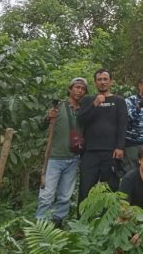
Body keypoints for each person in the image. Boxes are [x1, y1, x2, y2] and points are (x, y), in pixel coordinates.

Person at [36, 77, 87, 227]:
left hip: (73, 159)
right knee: (46, 196)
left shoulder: (84, 110)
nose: (79, 91)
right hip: (54, 158)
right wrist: (48, 118)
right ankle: (40, 228)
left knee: (65, 197)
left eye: (83, 89)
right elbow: (40, 127)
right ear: (70, 89)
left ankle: (57, 226)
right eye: (77, 87)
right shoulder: (58, 106)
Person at [78, 69, 127, 204]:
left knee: (110, 189)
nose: (102, 82)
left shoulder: (119, 101)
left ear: (111, 82)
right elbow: (81, 119)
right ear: (95, 83)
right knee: (85, 188)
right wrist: (94, 104)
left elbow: (122, 125)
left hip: (111, 152)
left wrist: (120, 147)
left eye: (105, 79)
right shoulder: (88, 100)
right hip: (90, 151)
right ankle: (83, 216)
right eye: (99, 79)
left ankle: (108, 216)